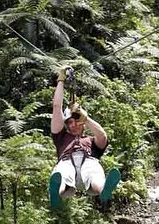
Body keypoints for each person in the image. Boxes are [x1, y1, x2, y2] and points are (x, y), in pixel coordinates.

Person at [48, 66, 120, 208]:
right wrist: (61, 80)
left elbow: (102, 136)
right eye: (70, 122)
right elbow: (57, 107)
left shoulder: (91, 141)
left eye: (77, 121)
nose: (73, 124)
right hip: (67, 161)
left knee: (94, 172)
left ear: (82, 123)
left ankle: (103, 189)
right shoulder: (61, 137)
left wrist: (86, 118)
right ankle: (57, 191)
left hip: (89, 161)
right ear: (66, 124)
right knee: (62, 173)